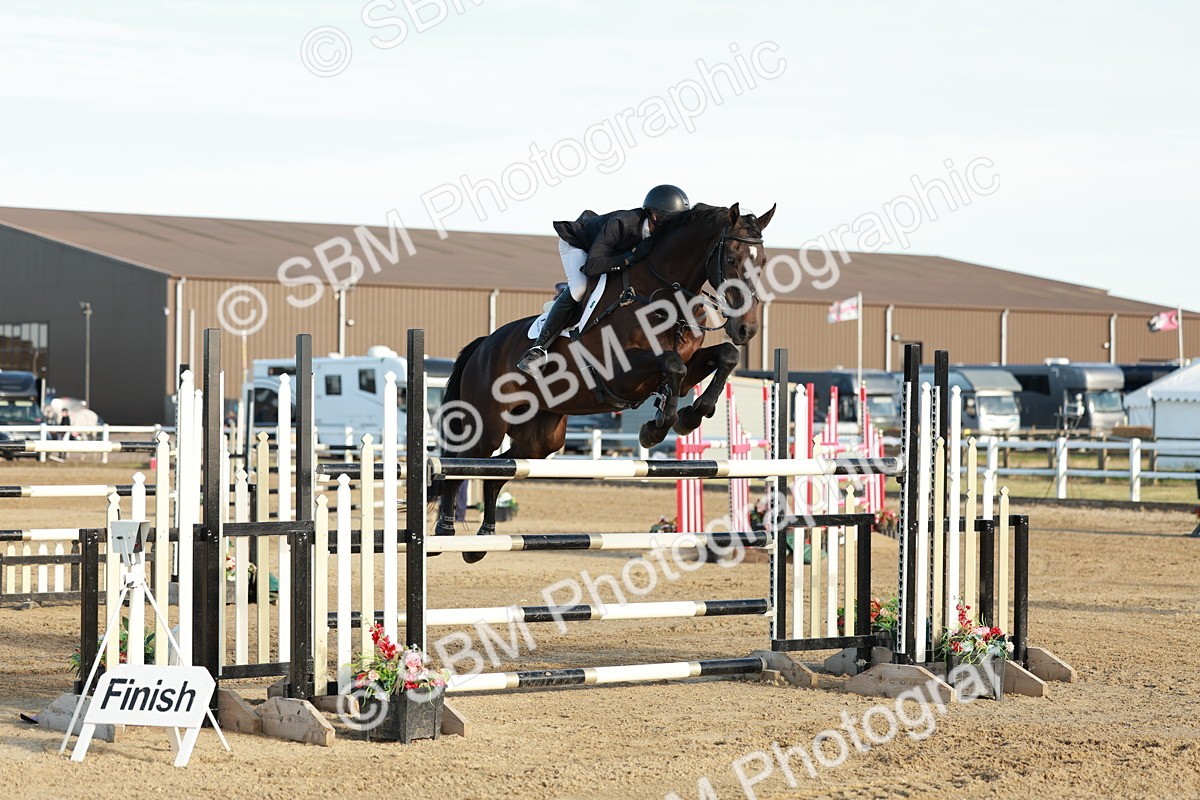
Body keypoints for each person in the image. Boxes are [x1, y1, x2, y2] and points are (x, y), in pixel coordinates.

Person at [516, 184, 690, 375]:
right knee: (580, 288)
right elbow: (592, 266)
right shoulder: (622, 224)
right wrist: (630, 258)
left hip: (606, 254)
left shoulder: (658, 235)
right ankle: (538, 349)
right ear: (654, 216)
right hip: (578, 246)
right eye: (672, 221)